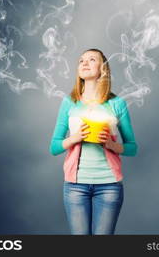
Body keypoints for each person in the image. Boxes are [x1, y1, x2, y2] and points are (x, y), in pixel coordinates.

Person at [49, 48, 138, 235]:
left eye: (91, 59)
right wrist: (75, 138)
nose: (84, 63)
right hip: (75, 187)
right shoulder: (69, 102)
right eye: (81, 61)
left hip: (109, 186)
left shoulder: (117, 103)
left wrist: (111, 144)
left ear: (103, 69)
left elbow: (132, 148)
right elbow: (54, 147)